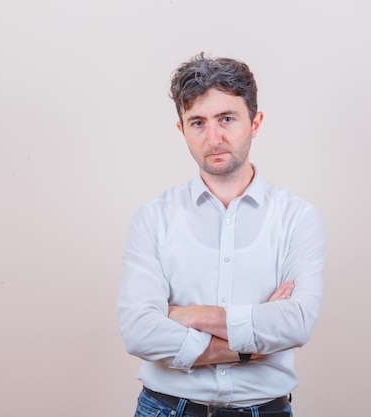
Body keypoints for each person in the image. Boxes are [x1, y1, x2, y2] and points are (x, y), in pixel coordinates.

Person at [117, 52, 327, 417]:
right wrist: (250, 344)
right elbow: (138, 331)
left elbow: (296, 322)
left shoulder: (297, 218)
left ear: (255, 123)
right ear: (182, 130)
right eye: (197, 122)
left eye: (226, 119)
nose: (213, 137)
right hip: (166, 409)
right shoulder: (153, 218)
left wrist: (187, 315)